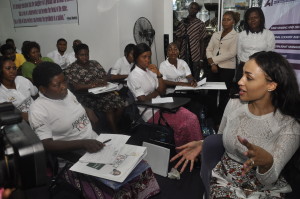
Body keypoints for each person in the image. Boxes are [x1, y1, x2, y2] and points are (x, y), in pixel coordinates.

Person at [171, 51, 300, 198]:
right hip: (225, 179)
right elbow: (221, 136)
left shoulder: (290, 125)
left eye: (249, 78)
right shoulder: (235, 104)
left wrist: (267, 164)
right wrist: (204, 143)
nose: (240, 81)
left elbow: (269, 178)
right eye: (242, 74)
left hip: (263, 189)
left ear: (270, 85)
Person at [29, 62, 160, 199]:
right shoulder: (38, 110)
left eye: (64, 81)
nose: (64, 87)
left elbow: (74, 106)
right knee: (115, 184)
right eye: (57, 85)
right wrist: (82, 143)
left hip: (95, 143)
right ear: (42, 89)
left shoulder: (66, 93)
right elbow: (46, 144)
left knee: (139, 166)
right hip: (73, 157)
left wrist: (87, 110)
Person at [127, 43, 203, 147]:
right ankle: (182, 150)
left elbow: (162, 91)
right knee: (183, 124)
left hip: (162, 105)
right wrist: (157, 92)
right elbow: (143, 99)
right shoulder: (134, 76)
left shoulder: (150, 71)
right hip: (150, 111)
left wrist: (158, 74)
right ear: (136, 58)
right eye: (144, 57)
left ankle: (197, 149)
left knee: (192, 117)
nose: (147, 60)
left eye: (149, 57)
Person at [64, 43, 124, 133]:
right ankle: (115, 131)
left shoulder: (94, 63)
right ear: (76, 55)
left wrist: (103, 81)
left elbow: (105, 76)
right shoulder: (71, 69)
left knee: (121, 104)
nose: (85, 57)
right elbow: (77, 86)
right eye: (82, 55)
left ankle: (111, 125)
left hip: (103, 92)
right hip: (86, 96)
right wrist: (94, 85)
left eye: (87, 54)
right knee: (109, 106)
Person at [206, 11, 239, 124]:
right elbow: (209, 49)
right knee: (211, 93)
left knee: (224, 94)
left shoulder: (236, 35)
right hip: (212, 68)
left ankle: (220, 117)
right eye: (223, 19)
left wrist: (213, 60)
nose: (225, 21)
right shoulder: (216, 34)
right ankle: (211, 115)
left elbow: (231, 53)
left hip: (227, 68)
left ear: (233, 21)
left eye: (228, 19)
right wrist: (212, 64)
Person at [236, 7, 275, 82]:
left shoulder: (268, 34)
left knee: (258, 92)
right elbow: (239, 53)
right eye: (249, 18)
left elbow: (270, 54)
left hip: (261, 70)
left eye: (255, 17)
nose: (252, 20)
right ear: (247, 21)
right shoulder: (242, 34)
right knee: (242, 92)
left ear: (261, 18)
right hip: (243, 69)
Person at [175, 2, 207, 81]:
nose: (193, 10)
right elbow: (178, 40)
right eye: (191, 7)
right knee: (183, 77)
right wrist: (176, 55)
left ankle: (194, 93)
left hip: (195, 55)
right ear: (188, 9)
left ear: (197, 11)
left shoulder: (200, 24)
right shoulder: (182, 23)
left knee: (194, 78)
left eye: (195, 8)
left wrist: (201, 59)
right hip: (183, 55)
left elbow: (202, 42)